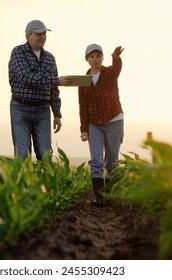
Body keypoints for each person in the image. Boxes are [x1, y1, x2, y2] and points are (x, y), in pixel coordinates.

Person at [8, 20, 73, 160]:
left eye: (44, 34)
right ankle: (23, 183)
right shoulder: (18, 52)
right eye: (39, 34)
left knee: (45, 155)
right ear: (28, 36)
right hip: (20, 109)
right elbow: (26, 77)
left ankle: (44, 182)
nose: (42, 37)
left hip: (42, 110)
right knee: (22, 155)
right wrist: (57, 80)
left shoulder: (50, 58)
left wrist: (57, 113)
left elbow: (54, 90)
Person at [78, 43, 125, 207]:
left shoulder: (110, 73)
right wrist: (84, 128)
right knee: (96, 160)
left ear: (102, 57)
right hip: (94, 123)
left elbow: (117, 68)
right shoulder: (83, 80)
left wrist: (116, 57)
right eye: (92, 57)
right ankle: (100, 199)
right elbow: (83, 106)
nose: (95, 59)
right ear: (87, 59)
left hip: (114, 120)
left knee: (111, 162)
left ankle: (110, 197)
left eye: (98, 56)